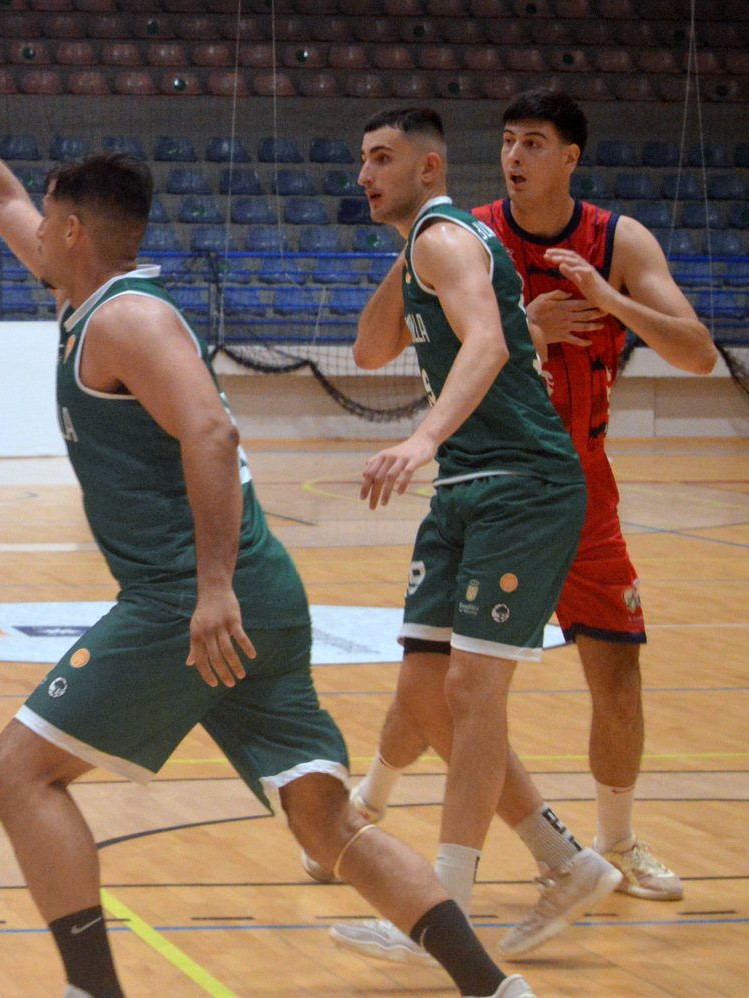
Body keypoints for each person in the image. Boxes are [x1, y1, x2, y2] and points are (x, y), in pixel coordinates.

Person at [0, 8, 536, 998]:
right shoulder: (91, 295)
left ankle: (94, 991)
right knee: (323, 817)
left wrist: (211, 586)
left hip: (196, 598)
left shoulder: (128, 316)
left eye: (47, 221)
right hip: (253, 591)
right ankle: (494, 987)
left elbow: (212, 435)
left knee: (16, 771)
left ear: (77, 231)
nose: (30, 229)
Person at [342, 89, 716, 909]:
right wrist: (511, 319)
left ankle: (612, 844)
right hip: (497, 475)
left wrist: (610, 305)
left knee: (612, 672)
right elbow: (376, 346)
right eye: (508, 141)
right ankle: (372, 803)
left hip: (569, 477)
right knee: (438, 676)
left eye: (534, 143)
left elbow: (699, 354)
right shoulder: (461, 234)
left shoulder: (617, 240)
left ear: (569, 158)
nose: (515, 157)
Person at [327, 106, 624, 967]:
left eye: (382, 158)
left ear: (429, 168)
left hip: (521, 480)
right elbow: (373, 348)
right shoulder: (427, 241)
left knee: (469, 691)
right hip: (468, 486)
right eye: (360, 159)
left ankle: (446, 908)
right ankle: (566, 862)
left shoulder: (448, 238)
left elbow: (490, 342)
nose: (364, 174)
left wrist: (421, 437)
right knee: (426, 694)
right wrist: (405, 239)